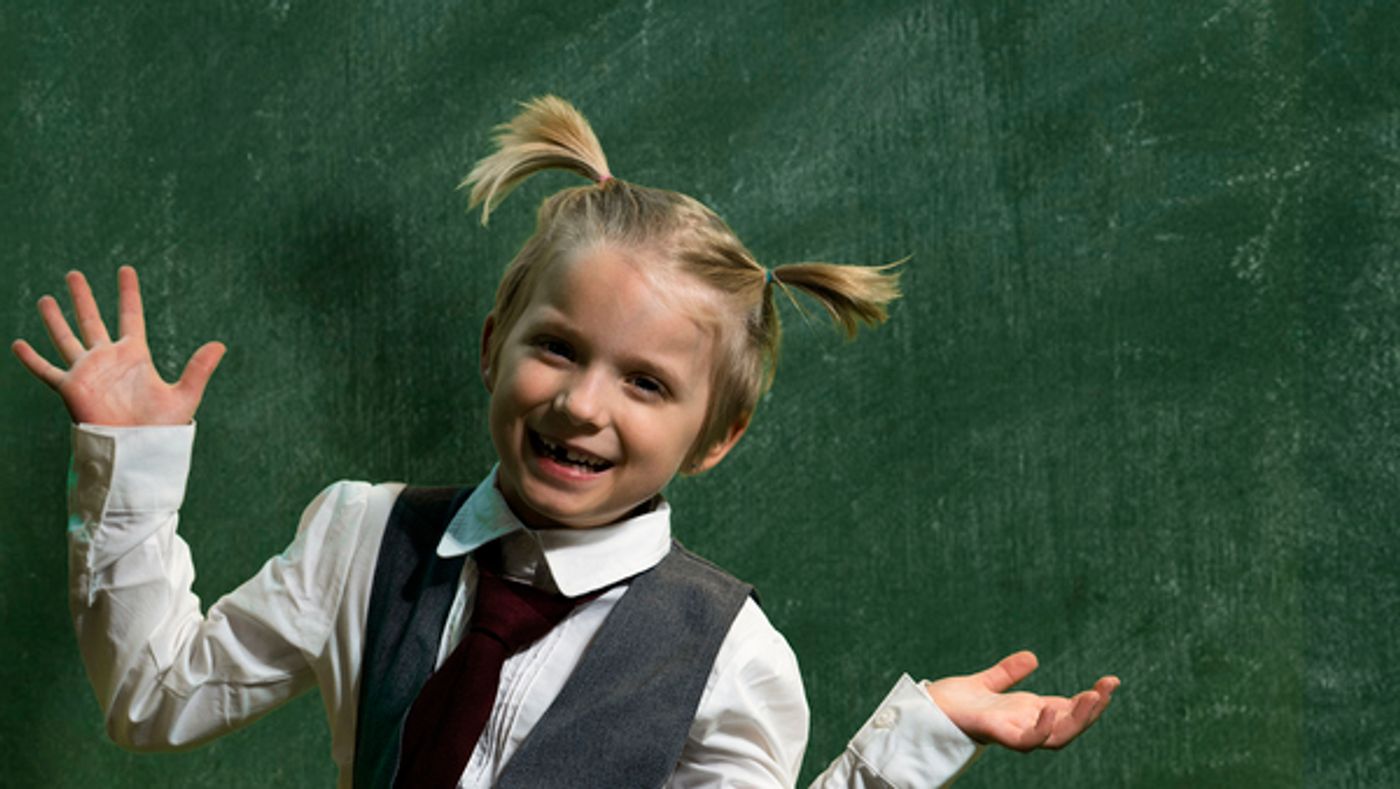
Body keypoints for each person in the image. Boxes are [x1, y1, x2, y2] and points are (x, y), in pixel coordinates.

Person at [12, 96, 1119, 788]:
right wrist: (131, 467)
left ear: (715, 437)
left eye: (646, 382)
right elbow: (154, 698)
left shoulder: (730, 658)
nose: (583, 405)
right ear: (493, 343)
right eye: (557, 348)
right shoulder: (362, 537)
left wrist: (908, 745)